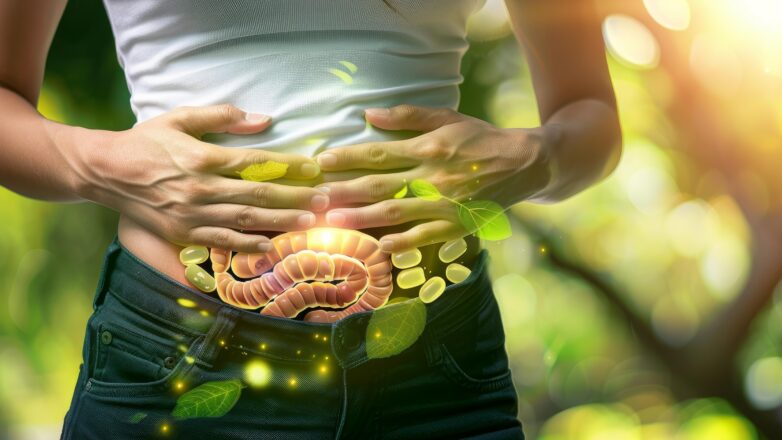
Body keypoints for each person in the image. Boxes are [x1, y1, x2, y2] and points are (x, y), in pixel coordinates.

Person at [0, 0, 621, 438]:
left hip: (438, 368)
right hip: (177, 364)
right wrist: (103, 166)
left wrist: (532, 158)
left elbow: (589, 111)